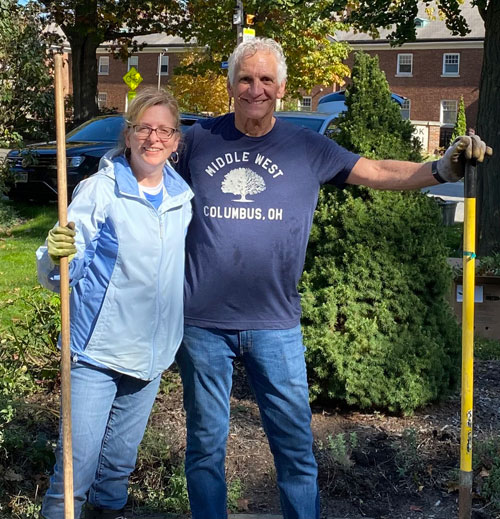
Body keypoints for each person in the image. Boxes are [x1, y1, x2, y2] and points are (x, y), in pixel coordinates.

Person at [174, 37, 492, 519]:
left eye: (265, 79)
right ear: (230, 85)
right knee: (203, 448)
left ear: (281, 87)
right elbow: (141, 165)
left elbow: (379, 170)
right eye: (245, 78)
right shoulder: (198, 141)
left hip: (275, 325)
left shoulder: (306, 146)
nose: (255, 88)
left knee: (296, 452)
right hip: (202, 324)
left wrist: (439, 168)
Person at [36, 87, 193, 519]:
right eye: (144, 128)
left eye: (164, 130)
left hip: (150, 358)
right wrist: (54, 255)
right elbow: (65, 269)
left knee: (116, 475)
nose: (153, 138)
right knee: (74, 477)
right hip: (97, 355)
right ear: (128, 135)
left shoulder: (182, 199)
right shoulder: (99, 191)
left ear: (176, 141)